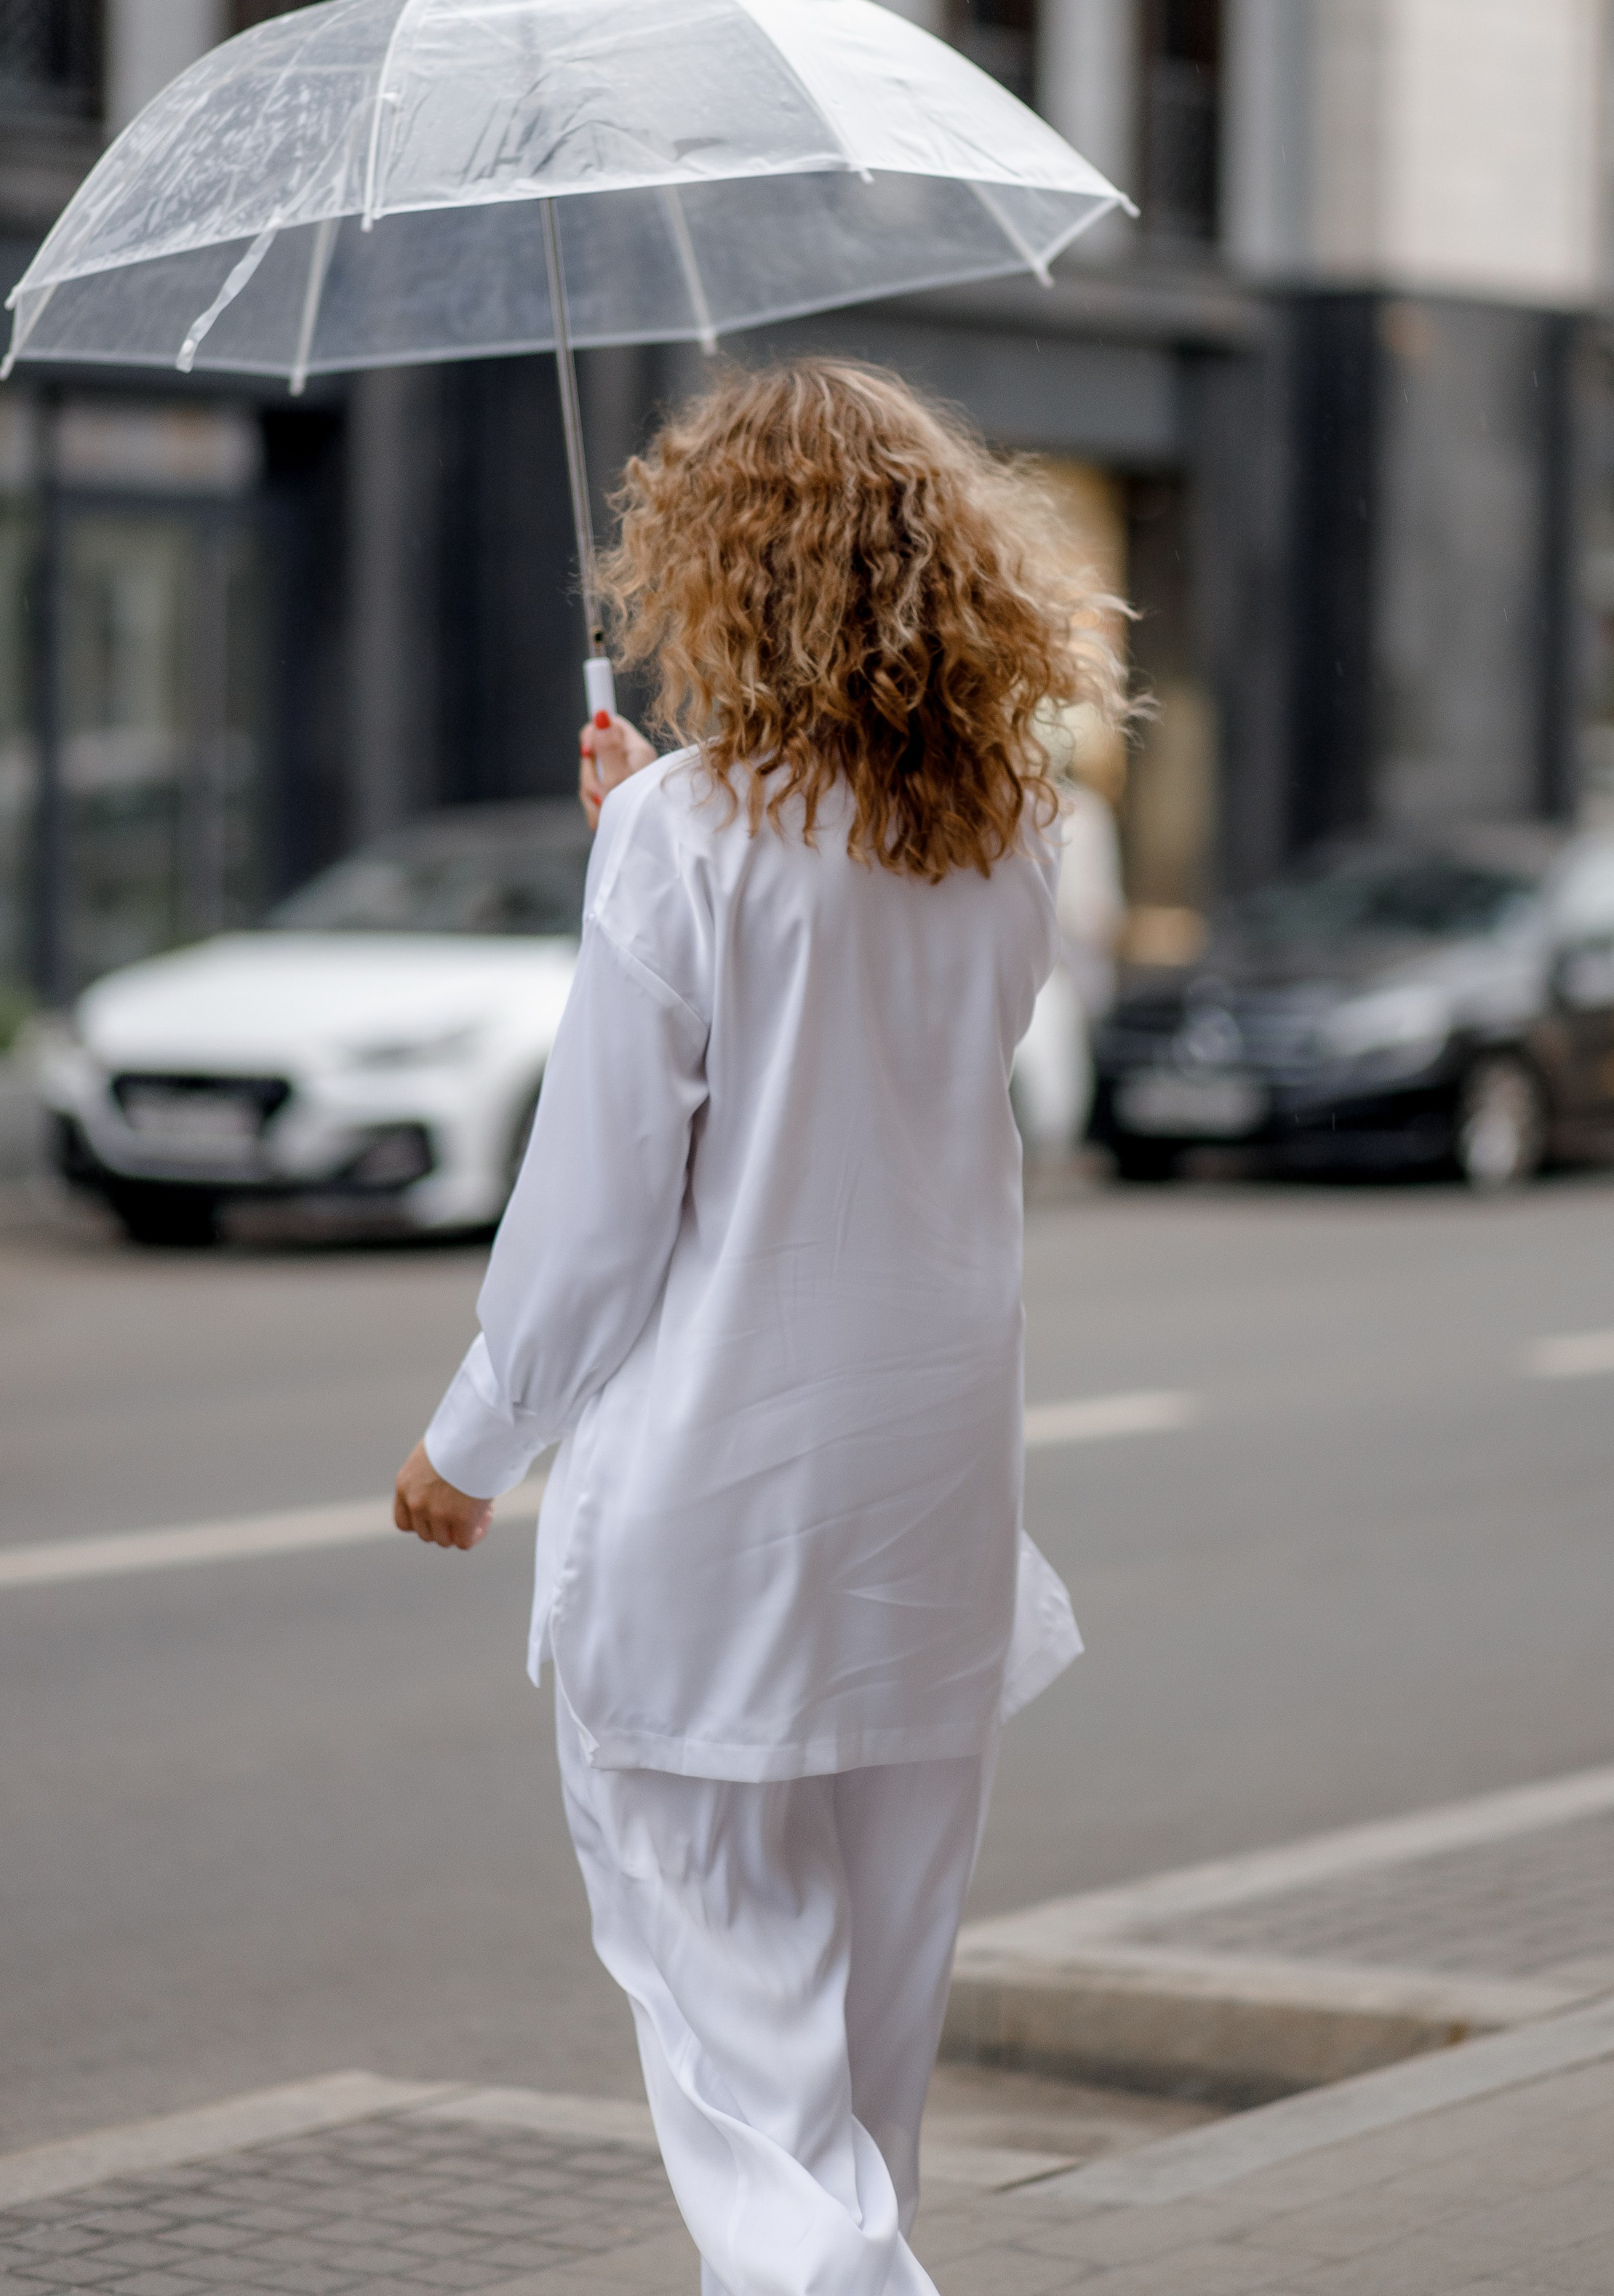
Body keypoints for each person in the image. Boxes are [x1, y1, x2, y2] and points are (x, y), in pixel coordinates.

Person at [391, 359, 1124, 2296]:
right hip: (927, 1525)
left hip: (722, 1517)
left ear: (724, 573)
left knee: (746, 2097)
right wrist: (663, 826)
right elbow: (863, 1029)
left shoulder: (686, 841)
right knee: (858, 2098)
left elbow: (603, 1207)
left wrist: (473, 1442)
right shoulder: (1014, 836)